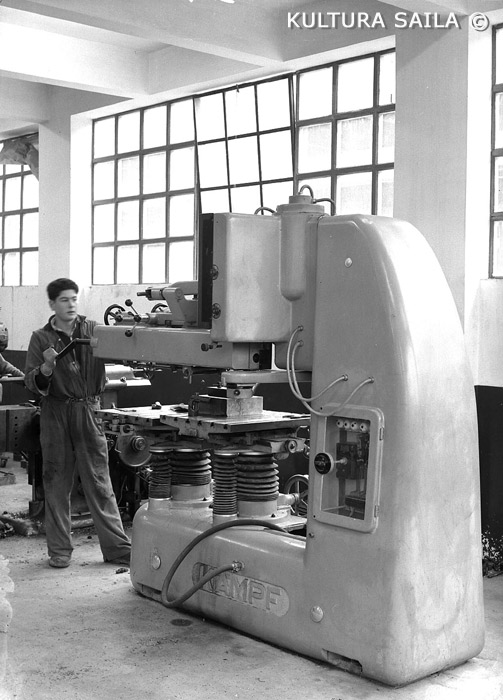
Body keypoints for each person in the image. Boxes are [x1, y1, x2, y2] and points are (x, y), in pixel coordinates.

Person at [24, 278, 131, 569]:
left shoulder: (93, 329)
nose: (71, 304)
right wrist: (46, 368)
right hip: (55, 413)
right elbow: (31, 381)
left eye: (74, 298)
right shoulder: (40, 338)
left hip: (88, 409)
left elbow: (122, 350)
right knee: (56, 482)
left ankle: (117, 549)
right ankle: (59, 550)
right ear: (52, 304)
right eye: (64, 300)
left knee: (99, 481)